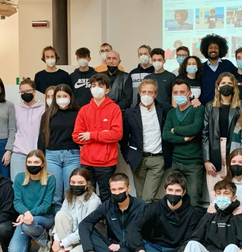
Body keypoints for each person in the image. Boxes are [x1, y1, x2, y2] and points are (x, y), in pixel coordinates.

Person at [51, 173, 146, 252]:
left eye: (121, 189)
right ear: (110, 190)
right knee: (90, 230)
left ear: (128, 188)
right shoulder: (107, 205)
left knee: (125, 250)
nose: (117, 193)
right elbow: (84, 224)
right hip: (110, 248)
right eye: (114, 189)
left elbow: (144, 234)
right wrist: (89, 250)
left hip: (132, 249)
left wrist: (122, 245)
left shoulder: (141, 206)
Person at [123, 173, 204, 252]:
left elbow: (188, 241)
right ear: (165, 190)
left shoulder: (192, 214)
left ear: (184, 193)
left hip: (175, 251)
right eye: (170, 190)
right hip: (153, 248)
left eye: (178, 191)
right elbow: (133, 228)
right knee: (130, 240)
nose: (173, 194)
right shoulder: (154, 207)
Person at [73, 74, 123, 202]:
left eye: (100, 86)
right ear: (89, 89)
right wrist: (104, 134)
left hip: (107, 163)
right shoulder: (84, 110)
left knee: (107, 196)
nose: (96, 89)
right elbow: (77, 137)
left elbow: (117, 134)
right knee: (87, 196)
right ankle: (90, 222)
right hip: (87, 161)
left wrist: (91, 135)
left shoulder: (114, 109)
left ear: (107, 90)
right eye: (93, 86)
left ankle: (106, 222)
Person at [121, 78, 171, 203]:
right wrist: (128, 156)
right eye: (144, 92)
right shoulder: (130, 113)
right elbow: (124, 138)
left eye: (150, 92)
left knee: (148, 197)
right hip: (138, 159)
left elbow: (180, 112)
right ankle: (144, 221)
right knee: (139, 197)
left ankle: (145, 221)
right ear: (139, 93)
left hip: (158, 159)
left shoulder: (164, 109)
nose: (147, 95)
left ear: (155, 94)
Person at [163, 78, 205, 207]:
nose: (179, 95)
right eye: (176, 92)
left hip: (194, 164)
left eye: (182, 92)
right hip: (176, 163)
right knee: (175, 200)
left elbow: (195, 128)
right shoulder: (171, 113)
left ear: (189, 93)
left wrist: (175, 130)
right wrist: (183, 138)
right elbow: (165, 134)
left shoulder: (198, 109)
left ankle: (195, 227)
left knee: (194, 200)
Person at [51, 167, 102, 252]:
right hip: (72, 238)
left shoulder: (94, 201)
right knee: (60, 214)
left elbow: (84, 230)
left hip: (89, 239)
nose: (76, 185)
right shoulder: (69, 197)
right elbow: (60, 222)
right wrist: (56, 240)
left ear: (87, 184)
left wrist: (61, 244)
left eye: (80, 182)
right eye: (73, 182)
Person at [38, 84, 80, 209]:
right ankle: (57, 222)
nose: (62, 99)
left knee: (72, 190)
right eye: (59, 96)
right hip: (51, 156)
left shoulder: (78, 113)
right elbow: (42, 136)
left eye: (65, 96)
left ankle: (72, 221)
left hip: (72, 155)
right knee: (54, 192)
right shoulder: (47, 115)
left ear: (70, 97)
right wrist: (41, 157)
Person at [8, 150, 56, 252]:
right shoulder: (20, 178)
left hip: (45, 217)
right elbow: (17, 201)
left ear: (42, 164)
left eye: (36, 162)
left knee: (27, 225)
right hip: (26, 217)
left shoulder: (50, 179)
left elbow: (46, 205)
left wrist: (28, 214)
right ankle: (30, 238)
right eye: (29, 162)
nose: (32, 165)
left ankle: (45, 242)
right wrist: (26, 213)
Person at [203, 72, 241, 195]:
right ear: (218, 86)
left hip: (233, 149)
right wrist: (206, 160)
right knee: (215, 191)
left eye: (229, 83)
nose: (226, 86)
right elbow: (205, 133)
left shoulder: (240, 107)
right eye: (223, 83)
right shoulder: (210, 106)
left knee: (233, 190)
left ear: (234, 86)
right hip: (215, 150)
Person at [11, 78, 45, 180]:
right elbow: (13, 130)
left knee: (37, 183)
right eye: (22, 92)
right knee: (17, 182)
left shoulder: (44, 108)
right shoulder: (16, 109)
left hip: (37, 152)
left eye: (28, 91)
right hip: (19, 152)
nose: (25, 93)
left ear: (34, 91)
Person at [200, 34, 236, 105]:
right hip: (206, 106)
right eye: (210, 48)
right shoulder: (201, 67)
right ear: (206, 50)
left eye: (216, 48)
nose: (213, 50)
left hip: (225, 105)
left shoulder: (228, 65)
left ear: (220, 49)